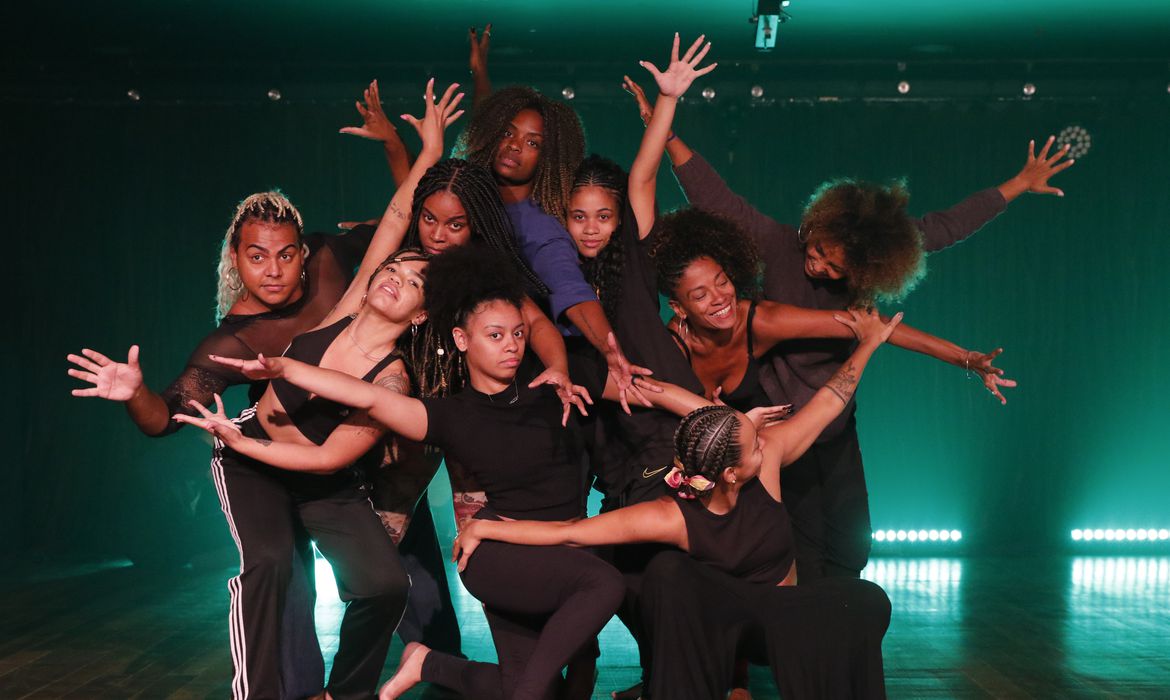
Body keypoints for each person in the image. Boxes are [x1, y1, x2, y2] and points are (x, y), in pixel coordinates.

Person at [622, 76, 1068, 580]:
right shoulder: (776, 245)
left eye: (833, 267)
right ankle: (801, 635)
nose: (816, 267)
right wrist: (663, 127)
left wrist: (1017, 185)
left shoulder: (870, 264)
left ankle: (835, 626)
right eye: (814, 251)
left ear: (867, 264)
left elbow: (943, 231)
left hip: (836, 418)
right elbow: (716, 198)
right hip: (784, 420)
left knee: (852, 547)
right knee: (801, 541)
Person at [203, 246, 624, 700]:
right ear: (462, 339)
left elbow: (637, 389)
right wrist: (285, 368)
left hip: (551, 548)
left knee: (548, 687)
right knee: (601, 587)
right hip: (504, 556)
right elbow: (369, 399)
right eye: (496, 334)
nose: (511, 345)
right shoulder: (451, 414)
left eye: (518, 334)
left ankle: (429, 662)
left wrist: (700, 408)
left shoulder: (553, 386)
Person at [451, 308, 902, 699]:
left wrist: (868, 344)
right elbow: (569, 531)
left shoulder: (760, 462)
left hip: (780, 622)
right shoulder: (672, 514)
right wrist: (486, 527)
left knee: (867, 599)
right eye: (755, 445)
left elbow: (829, 400)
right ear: (731, 473)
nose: (765, 444)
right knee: (669, 573)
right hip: (720, 627)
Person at [456, 38, 652, 414]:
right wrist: (480, 73)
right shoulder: (475, 183)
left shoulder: (538, 225)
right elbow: (485, 121)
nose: (514, 146)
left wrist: (610, 350)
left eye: (532, 143)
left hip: (514, 369)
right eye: (508, 132)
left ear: (546, 157)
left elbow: (570, 289)